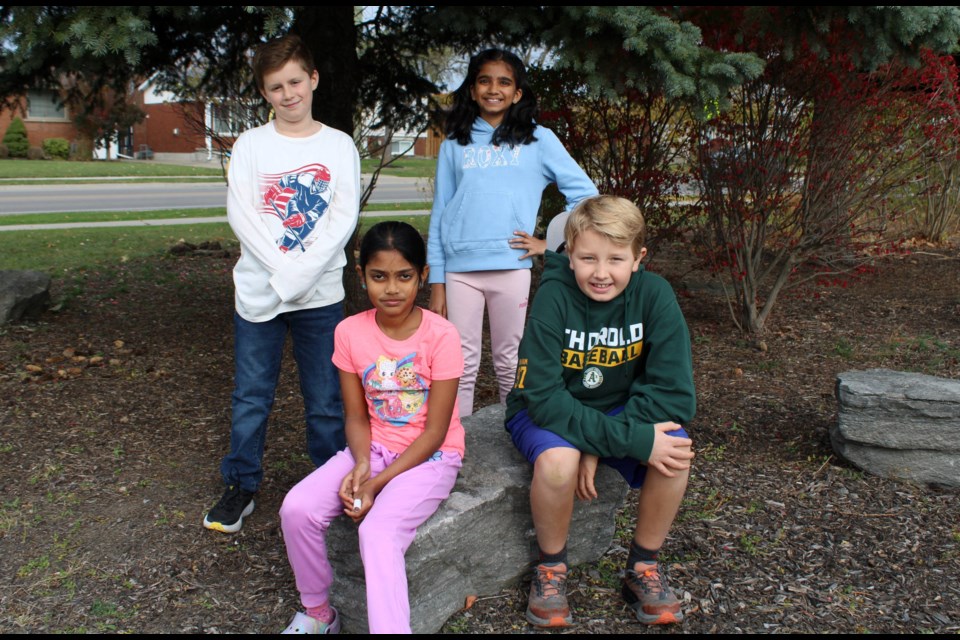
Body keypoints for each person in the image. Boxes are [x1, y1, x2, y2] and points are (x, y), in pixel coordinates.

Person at [505, 195, 696, 628]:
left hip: (615, 408)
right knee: (559, 463)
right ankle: (550, 569)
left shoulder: (655, 295)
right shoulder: (554, 297)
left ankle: (643, 567)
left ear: (638, 257)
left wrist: (599, 440)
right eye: (588, 257)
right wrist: (619, 440)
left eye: (616, 259)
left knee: (675, 449)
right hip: (543, 411)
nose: (601, 272)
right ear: (569, 253)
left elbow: (675, 395)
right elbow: (544, 397)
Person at [203, 34, 360, 534]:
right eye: (276, 87)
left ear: (313, 79)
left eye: (295, 81)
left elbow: (342, 216)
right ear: (265, 93)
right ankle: (241, 485)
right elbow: (242, 215)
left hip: (320, 297)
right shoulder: (251, 145)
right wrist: (285, 272)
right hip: (259, 295)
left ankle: (331, 482)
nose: (288, 93)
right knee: (251, 395)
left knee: (326, 400)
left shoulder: (338, 146)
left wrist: (304, 273)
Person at [279, 221, 465, 634]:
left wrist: (375, 486)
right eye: (379, 277)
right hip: (374, 448)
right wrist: (363, 465)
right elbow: (356, 416)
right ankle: (318, 613)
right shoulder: (349, 332)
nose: (392, 289)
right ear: (362, 277)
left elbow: (436, 432)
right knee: (297, 508)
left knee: (378, 531)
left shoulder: (443, 335)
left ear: (423, 276)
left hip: (430, 458)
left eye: (404, 276)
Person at [428, 48, 597, 417]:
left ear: (517, 92)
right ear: (472, 90)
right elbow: (441, 210)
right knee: (460, 363)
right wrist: (437, 280)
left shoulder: (539, 140)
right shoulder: (455, 143)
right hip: (460, 270)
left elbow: (585, 195)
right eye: (484, 81)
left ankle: (514, 432)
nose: (494, 89)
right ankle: (457, 447)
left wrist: (549, 243)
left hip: (511, 265)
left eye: (504, 82)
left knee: (510, 360)